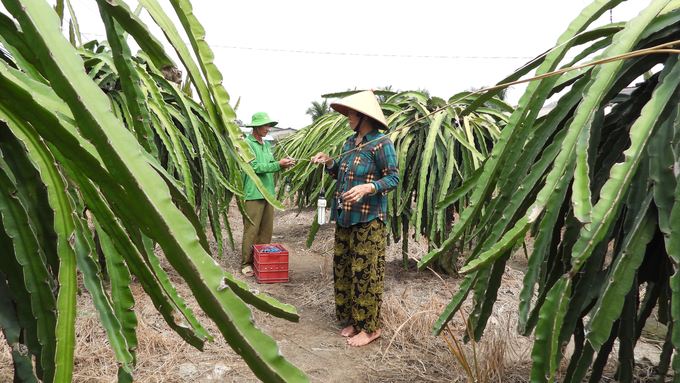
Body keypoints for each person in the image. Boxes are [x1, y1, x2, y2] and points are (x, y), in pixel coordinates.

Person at [311, 91, 399, 347]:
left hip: (369, 219)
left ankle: (371, 328)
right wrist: (329, 162)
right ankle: (354, 320)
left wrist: (368, 188)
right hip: (345, 216)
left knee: (366, 273)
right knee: (346, 270)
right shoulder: (350, 144)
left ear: (364, 117)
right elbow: (341, 174)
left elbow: (393, 178)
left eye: (351, 113)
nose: (347, 117)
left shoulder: (382, 144)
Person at [241, 112, 295, 276]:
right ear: (256, 126)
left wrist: (282, 164)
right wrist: (278, 164)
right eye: (265, 125)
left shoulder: (265, 145)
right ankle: (246, 263)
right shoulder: (246, 145)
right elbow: (255, 167)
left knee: (266, 230)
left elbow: (270, 164)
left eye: (269, 125)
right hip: (254, 192)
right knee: (252, 230)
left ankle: (260, 260)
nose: (268, 128)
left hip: (268, 193)